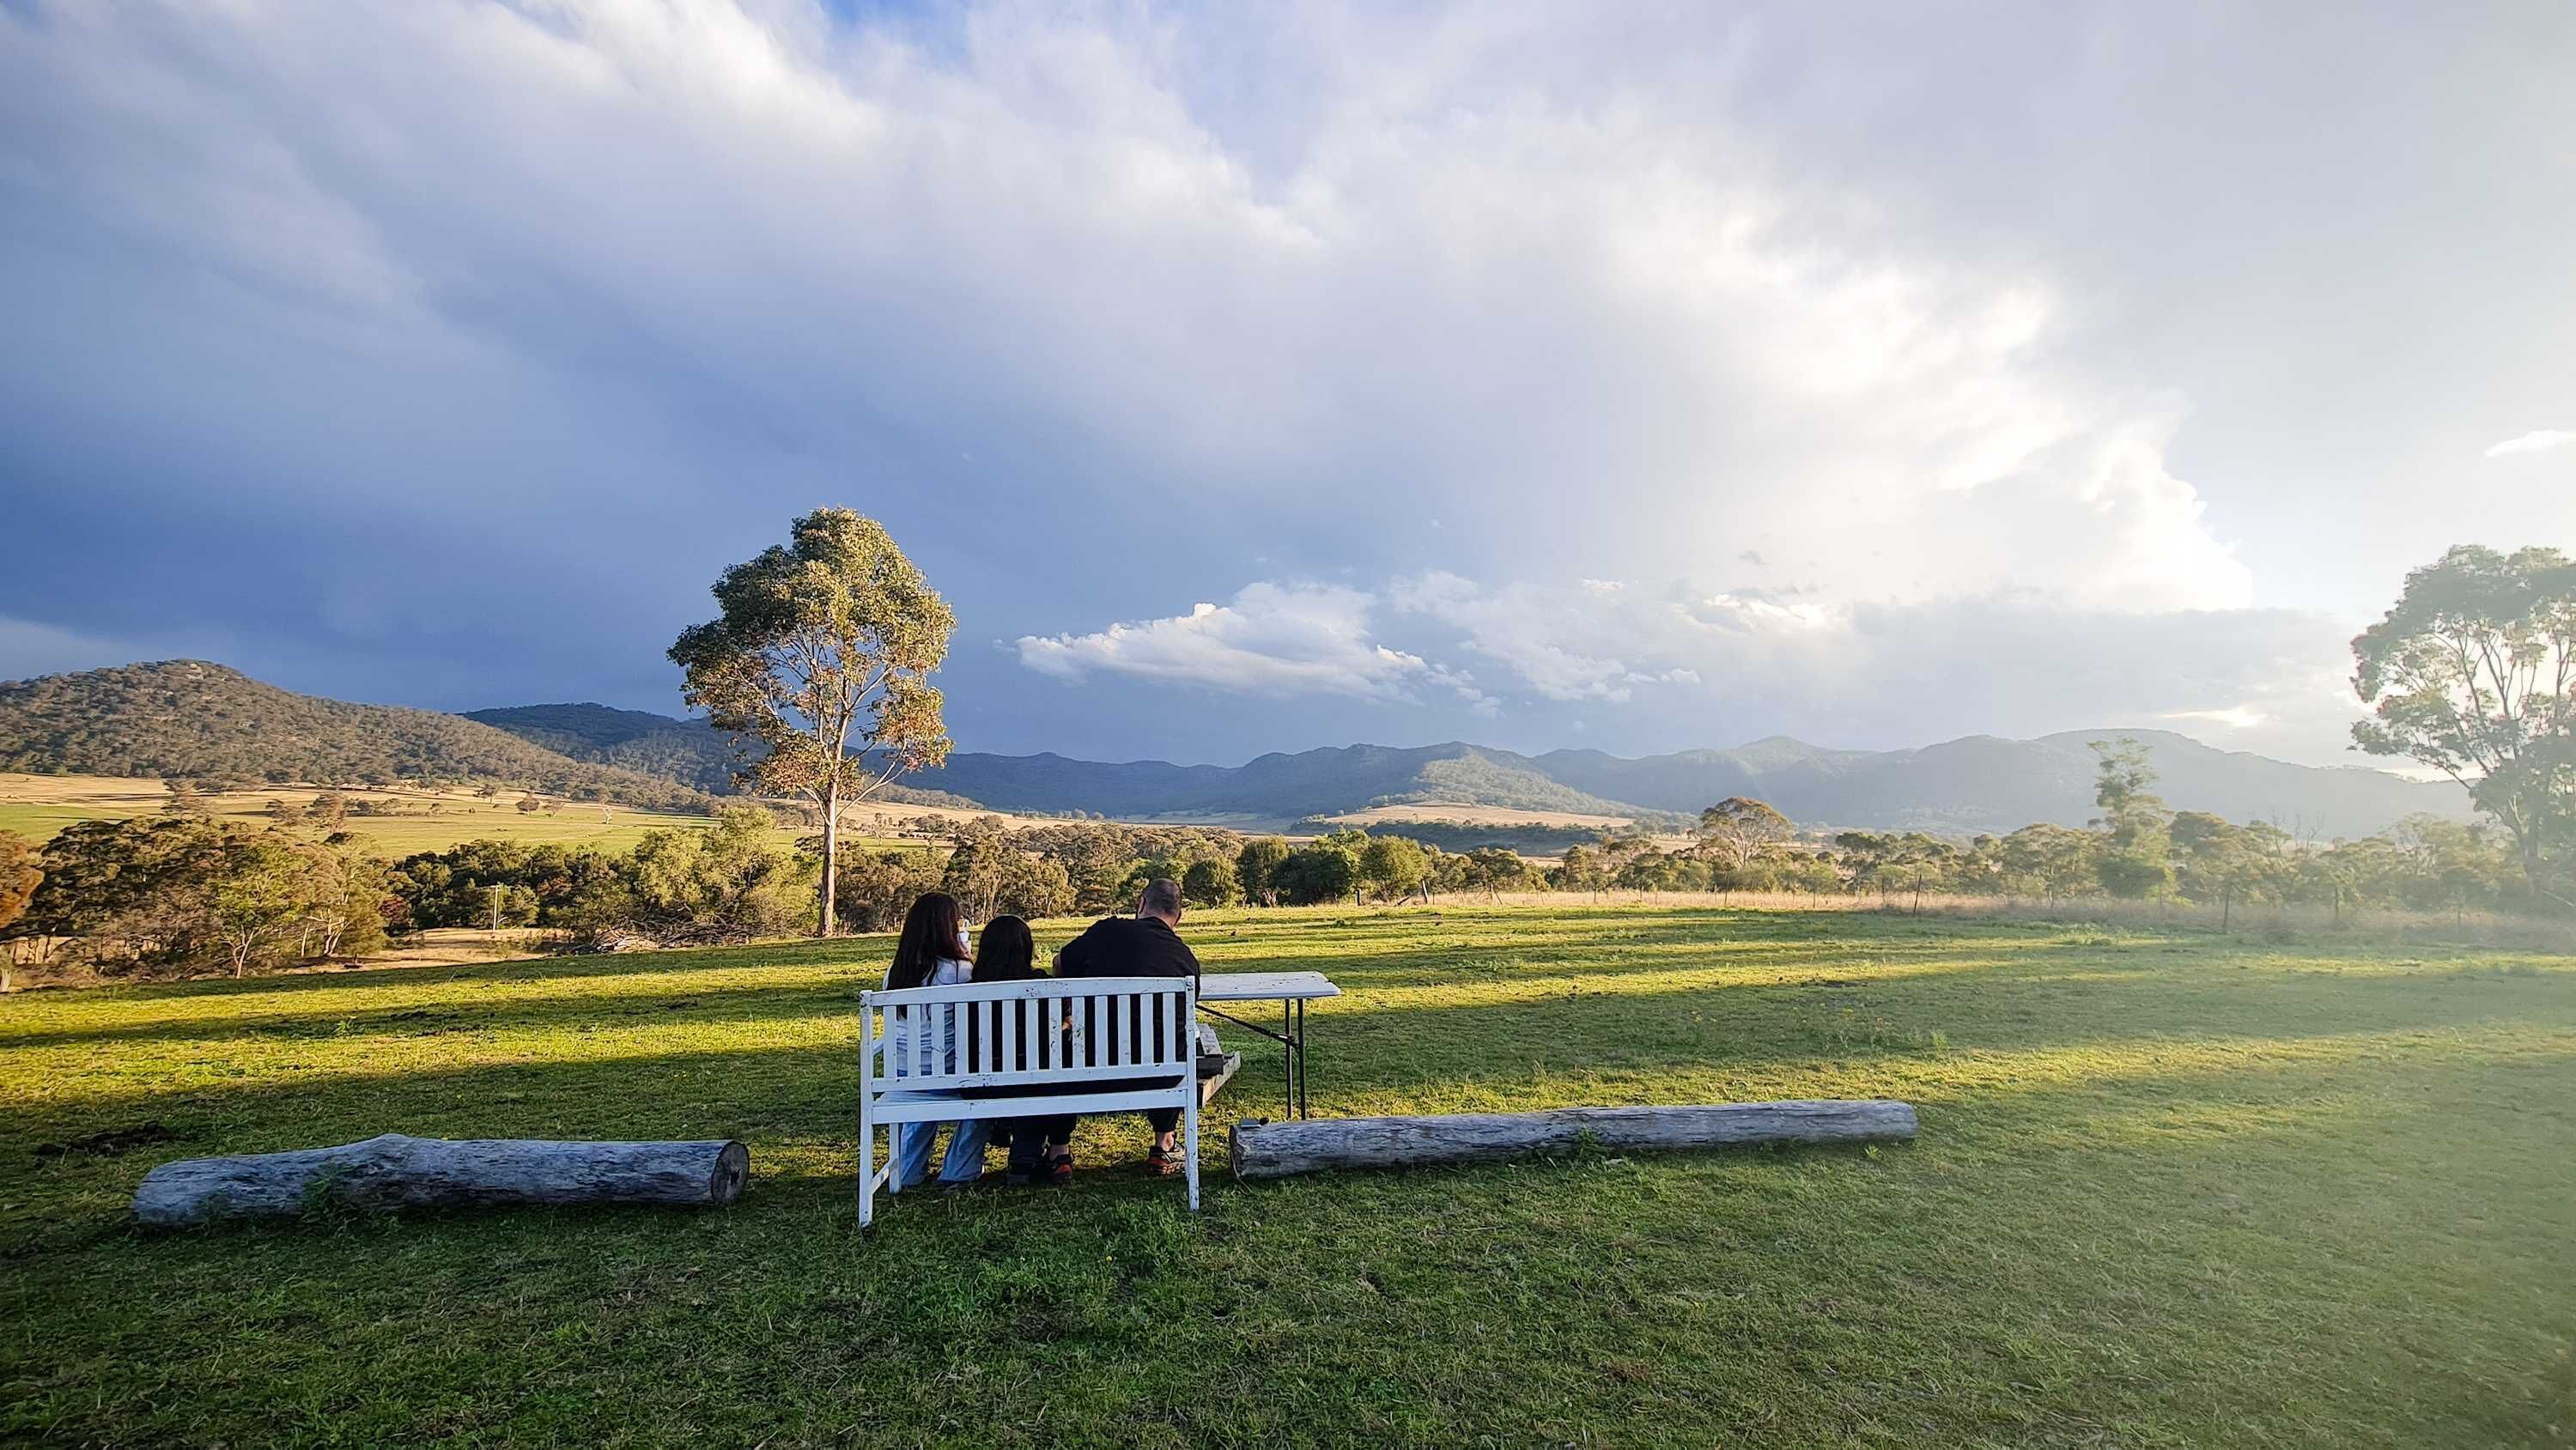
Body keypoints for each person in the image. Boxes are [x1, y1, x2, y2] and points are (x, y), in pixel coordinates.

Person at [1050, 877, 1202, 1179]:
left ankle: (1059, 1151)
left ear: (1141, 904)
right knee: (1174, 1043)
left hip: (1090, 1065)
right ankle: (1164, 1143)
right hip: (1159, 1074)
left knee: (1059, 1048)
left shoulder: (1107, 931)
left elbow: (1060, 964)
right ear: (1179, 917)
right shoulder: (1185, 958)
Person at [881, 891, 990, 1191]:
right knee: (983, 1094)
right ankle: (959, 1170)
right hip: (946, 1075)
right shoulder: (960, 971)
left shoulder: (895, 972)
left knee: (922, 1100)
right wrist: (965, 955)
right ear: (949, 928)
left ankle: (908, 1171)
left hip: (902, 1075)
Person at [955, 914, 1072, 1187]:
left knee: (1027, 1074)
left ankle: (1021, 1156)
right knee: (1044, 1073)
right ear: (1027, 948)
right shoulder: (1039, 984)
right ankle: (1024, 1159)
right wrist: (1066, 1024)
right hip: (1034, 1081)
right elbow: (1057, 1026)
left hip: (979, 1084)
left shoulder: (969, 991)